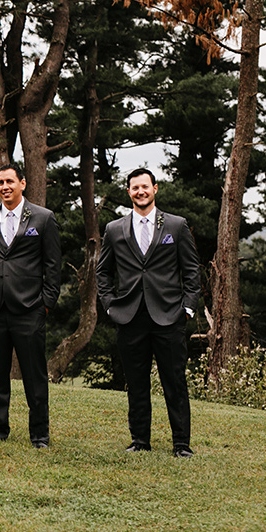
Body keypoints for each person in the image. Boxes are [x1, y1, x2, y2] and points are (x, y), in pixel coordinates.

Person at [96, 168, 200, 458]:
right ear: (128, 192)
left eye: (145, 186)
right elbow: (102, 272)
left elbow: (191, 270)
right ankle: (140, 440)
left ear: (155, 188)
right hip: (129, 317)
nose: (140, 192)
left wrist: (188, 308)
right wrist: (109, 304)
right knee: (136, 383)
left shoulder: (177, 226)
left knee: (175, 383)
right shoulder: (114, 229)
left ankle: (181, 444)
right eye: (134, 188)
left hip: (169, 317)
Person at [0, 163, 60, 448]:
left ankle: (39, 435)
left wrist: (45, 304)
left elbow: (52, 266)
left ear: (22, 183)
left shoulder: (43, 218)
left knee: (34, 376)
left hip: (29, 309)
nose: (5, 187)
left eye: (10, 181)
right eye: (0, 183)